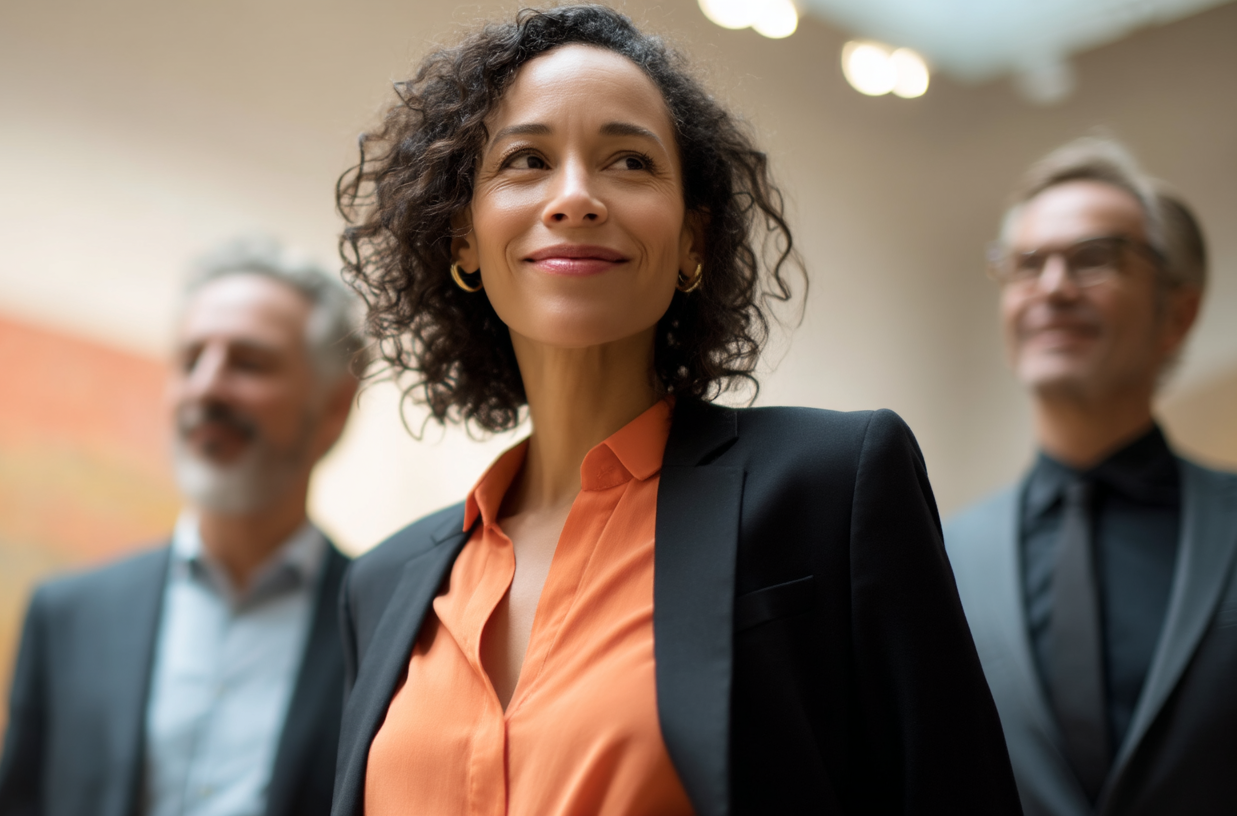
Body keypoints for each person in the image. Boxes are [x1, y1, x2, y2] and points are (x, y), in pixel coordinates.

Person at [330, 7, 1021, 816]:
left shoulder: (834, 487)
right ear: (462, 242)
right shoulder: (380, 586)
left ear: (694, 240)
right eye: (526, 160)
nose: (577, 197)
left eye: (628, 161)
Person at [0, 240, 363, 816]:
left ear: (334, 407)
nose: (206, 388)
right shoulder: (68, 614)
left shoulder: (389, 628)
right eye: (190, 361)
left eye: (249, 363)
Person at [946, 138, 1236, 816]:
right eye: (1026, 265)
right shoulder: (939, 557)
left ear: (1178, 313)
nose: (1053, 287)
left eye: (1094, 258)